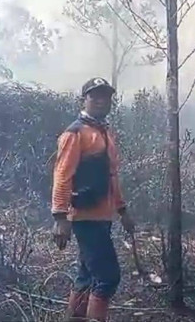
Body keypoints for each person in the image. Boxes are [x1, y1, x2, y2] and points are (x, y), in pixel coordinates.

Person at [51, 77, 135, 322]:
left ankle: (75, 317)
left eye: (105, 96)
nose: (100, 100)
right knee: (108, 277)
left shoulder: (105, 132)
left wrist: (123, 210)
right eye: (94, 95)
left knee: (87, 275)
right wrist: (59, 217)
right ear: (84, 99)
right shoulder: (74, 133)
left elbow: (111, 176)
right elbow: (62, 175)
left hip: (103, 215)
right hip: (84, 217)